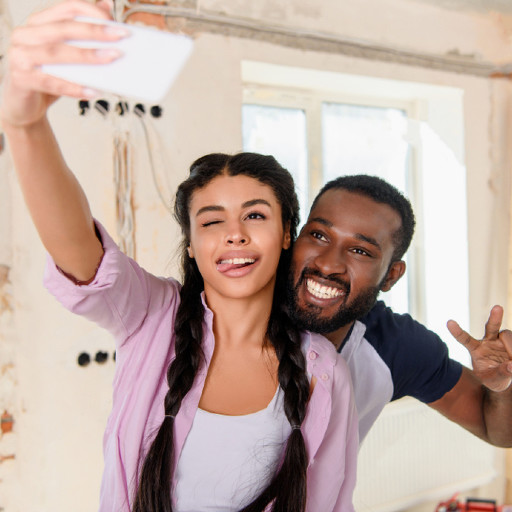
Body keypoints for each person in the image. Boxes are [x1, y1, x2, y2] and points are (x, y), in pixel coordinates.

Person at [0, 1, 358, 511]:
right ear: (192, 245)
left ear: (285, 234)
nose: (233, 235)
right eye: (212, 221)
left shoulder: (323, 369)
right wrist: (24, 125)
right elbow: (78, 249)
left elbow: (329, 501)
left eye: (255, 216)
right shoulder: (152, 317)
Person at [287, 174, 512, 445]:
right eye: (319, 235)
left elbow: (498, 431)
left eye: (360, 251)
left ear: (391, 276)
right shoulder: (243, 313)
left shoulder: (398, 346)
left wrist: (502, 387)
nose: (327, 264)